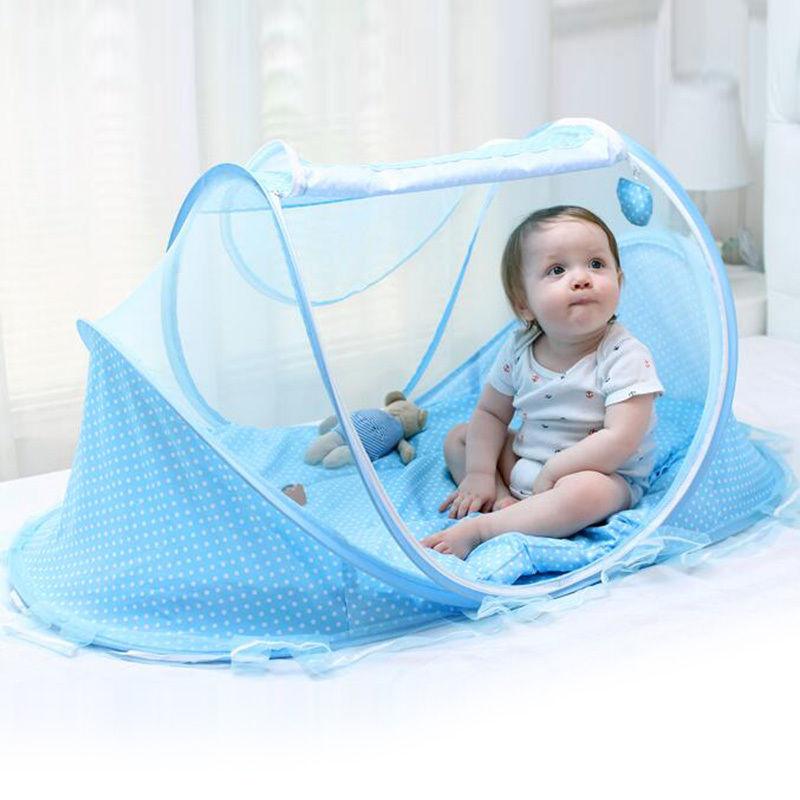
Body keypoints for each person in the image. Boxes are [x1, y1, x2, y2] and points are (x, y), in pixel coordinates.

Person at [421, 206, 664, 560]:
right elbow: (491, 413)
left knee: (585, 492)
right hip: (527, 459)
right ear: (524, 305)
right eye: (557, 270)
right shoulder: (519, 348)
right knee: (460, 438)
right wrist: (479, 472)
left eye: (596, 264)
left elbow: (620, 439)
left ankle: (484, 529)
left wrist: (555, 470)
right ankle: (501, 498)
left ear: (619, 282)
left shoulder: (625, 355)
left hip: (600, 474)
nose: (581, 278)